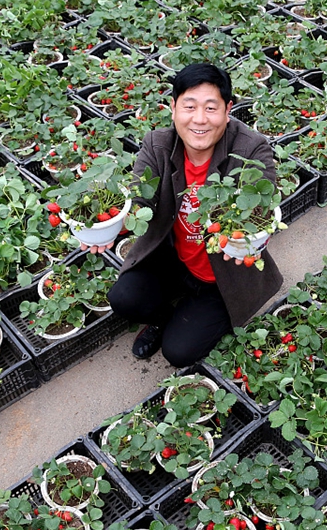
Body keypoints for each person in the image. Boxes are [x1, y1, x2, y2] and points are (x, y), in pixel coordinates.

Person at [102, 63, 283, 367]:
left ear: (228, 109)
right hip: (174, 260)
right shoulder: (157, 145)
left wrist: (246, 232)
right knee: (123, 299)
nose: (200, 119)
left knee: (179, 353)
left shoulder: (250, 149)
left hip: (223, 273)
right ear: (173, 108)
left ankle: (200, 314)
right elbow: (138, 199)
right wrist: (110, 222)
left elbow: (263, 203)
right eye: (189, 106)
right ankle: (166, 317)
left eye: (211, 108)